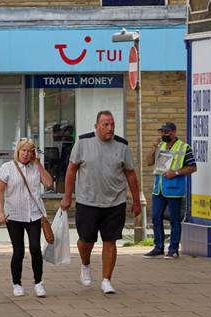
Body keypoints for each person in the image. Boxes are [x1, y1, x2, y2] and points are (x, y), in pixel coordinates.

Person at [62, 110, 141, 296]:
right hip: (87, 200)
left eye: (112, 124)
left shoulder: (122, 146)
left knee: (110, 240)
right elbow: (71, 170)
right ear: (96, 126)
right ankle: (85, 264)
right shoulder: (83, 142)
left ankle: (106, 280)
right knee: (85, 240)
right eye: (105, 124)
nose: (110, 128)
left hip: (115, 201)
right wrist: (67, 196)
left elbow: (130, 173)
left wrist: (136, 200)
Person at [0, 137, 55, 298]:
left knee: (35, 249)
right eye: (24, 150)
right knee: (18, 250)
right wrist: (0, 212)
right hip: (13, 215)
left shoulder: (36, 168)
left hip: (34, 215)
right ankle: (17, 283)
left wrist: (39, 164)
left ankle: (39, 283)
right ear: (18, 151)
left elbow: (48, 183)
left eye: (30, 151)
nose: (26, 154)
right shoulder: (7, 168)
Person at [148, 121, 196, 259]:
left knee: (174, 219)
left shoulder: (184, 147)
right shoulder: (160, 146)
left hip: (174, 189)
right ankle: (158, 247)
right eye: (162, 132)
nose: (163, 134)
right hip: (159, 189)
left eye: (166, 132)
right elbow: (149, 162)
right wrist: (153, 147)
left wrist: (175, 173)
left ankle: (173, 249)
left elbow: (192, 167)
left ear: (174, 132)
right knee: (156, 218)